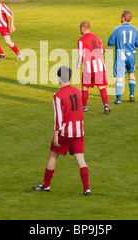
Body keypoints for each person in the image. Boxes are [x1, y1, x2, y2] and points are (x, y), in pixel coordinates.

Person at [32, 66, 91, 196]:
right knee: (81, 159)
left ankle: (46, 186)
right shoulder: (78, 92)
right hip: (79, 131)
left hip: (65, 132)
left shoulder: (58, 95)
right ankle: (87, 189)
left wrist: (56, 134)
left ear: (59, 78)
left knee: (53, 155)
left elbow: (58, 116)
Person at [107, 10, 138, 104]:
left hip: (120, 54)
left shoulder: (117, 29)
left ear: (123, 18)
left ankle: (118, 99)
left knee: (120, 77)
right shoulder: (135, 30)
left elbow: (110, 43)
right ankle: (132, 95)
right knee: (131, 73)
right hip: (131, 55)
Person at [76, 21, 110, 115]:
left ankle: (84, 107)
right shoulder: (97, 37)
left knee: (85, 87)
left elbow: (80, 55)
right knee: (101, 86)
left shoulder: (81, 40)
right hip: (99, 66)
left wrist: (78, 65)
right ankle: (106, 106)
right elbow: (103, 50)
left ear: (82, 28)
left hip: (88, 67)